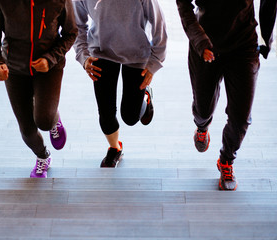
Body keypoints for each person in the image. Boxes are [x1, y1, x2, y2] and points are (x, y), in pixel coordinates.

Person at [176, 0, 268, 190]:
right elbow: (184, 6)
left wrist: (266, 37)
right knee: (202, 109)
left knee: (241, 117)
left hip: (244, 45)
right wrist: (200, 41)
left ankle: (226, 160)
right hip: (205, 44)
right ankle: (202, 127)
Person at [0, 0, 78, 178]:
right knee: (27, 130)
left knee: (44, 120)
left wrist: (50, 59)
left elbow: (70, 33)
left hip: (49, 67)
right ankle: (43, 156)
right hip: (15, 69)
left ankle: (53, 119)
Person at [72, 0, 167, 167]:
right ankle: (115, 148)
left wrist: (154, 63)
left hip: (136, 54)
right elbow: (76, 25)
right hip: (101, 52)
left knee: (130, 117)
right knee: (106, 114)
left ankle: (145, 98)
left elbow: (159, 25)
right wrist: (84, 56)